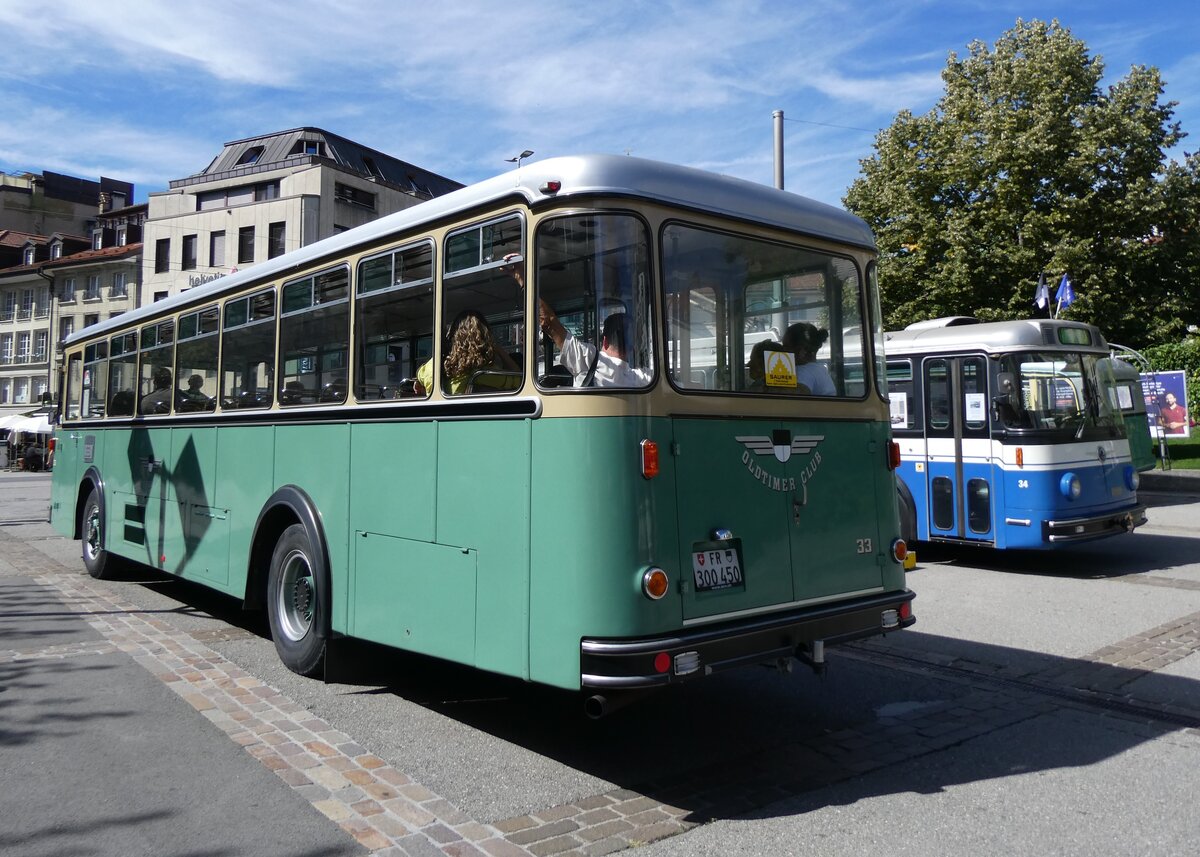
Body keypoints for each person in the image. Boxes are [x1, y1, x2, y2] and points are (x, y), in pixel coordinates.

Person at [538, 301, 651, 388]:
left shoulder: (589, 359)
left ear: (605, 341)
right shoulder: (641, 379)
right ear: (631, 348)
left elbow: (549, 321)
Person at [414, 310, 518, 395]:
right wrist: (498, 349)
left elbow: (420, 373)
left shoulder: (434, 367)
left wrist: (418, 381)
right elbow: (519, 380)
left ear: (452, 336)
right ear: (484, 338)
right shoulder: (485, 373)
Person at [782, 322, 836, 396]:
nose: (782, 351)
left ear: (801, 350)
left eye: (786, 347)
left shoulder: (803, 373)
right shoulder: (820, 369)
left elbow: (793, 400)